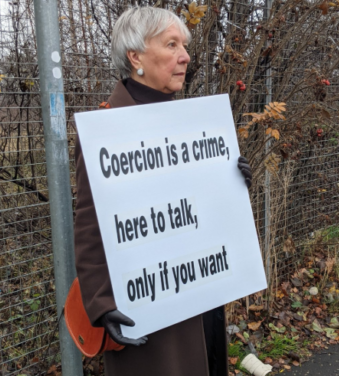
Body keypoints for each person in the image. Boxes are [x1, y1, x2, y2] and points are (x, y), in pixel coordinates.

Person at [73, 7, 252, 376]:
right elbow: (90, 228)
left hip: (200, 296)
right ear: (135, 56)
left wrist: (232, 183)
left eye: (184, 45)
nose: (185, 56)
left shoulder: (191, 124)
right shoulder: (106, 132)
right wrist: (102, 303)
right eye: (171, 45)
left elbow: (199, 210)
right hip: (148, 310)